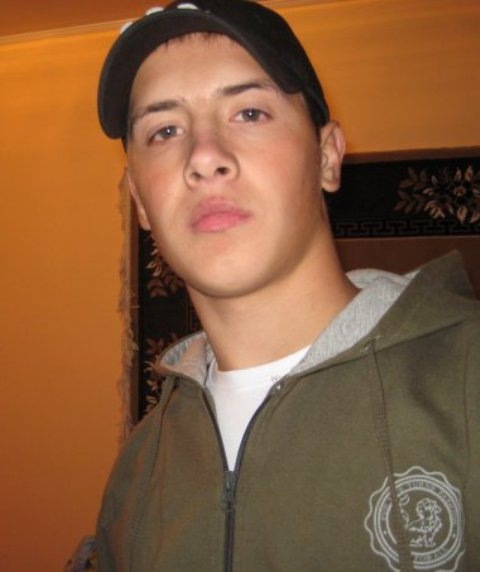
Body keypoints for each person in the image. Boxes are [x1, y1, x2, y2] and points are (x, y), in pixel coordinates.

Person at [95, 1, 480, 570]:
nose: (204, 157)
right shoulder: (138, 468)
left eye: (249, 113)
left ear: (327, 157)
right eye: (165, 130)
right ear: (140, 202)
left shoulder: (468, 380)